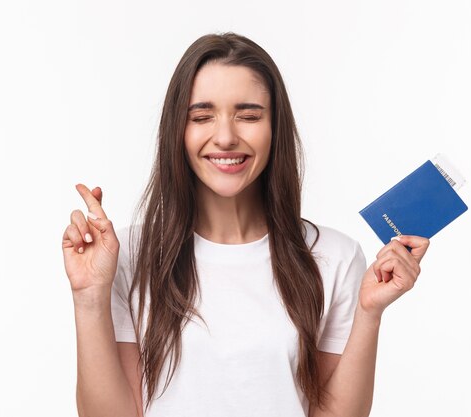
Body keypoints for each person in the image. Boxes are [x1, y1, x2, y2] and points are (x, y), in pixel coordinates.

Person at [61, 32, 430, 417]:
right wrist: (89, 297)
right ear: (177, 131)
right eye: (202, 116)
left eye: (249, 116)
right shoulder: (128, 256)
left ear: (275, 128)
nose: (224, 137)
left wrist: (369, 314)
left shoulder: (334, 257)